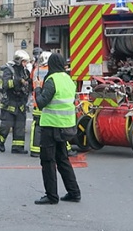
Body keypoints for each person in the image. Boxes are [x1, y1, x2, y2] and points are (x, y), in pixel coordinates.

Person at [32, 53, 81, 205]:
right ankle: (74, 192)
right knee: (63, 159)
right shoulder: (68, 79)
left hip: (51, 126)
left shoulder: (52, 80)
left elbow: (41, 102)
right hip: (66, 125)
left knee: (47, 161)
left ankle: (52, 196)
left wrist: (38, 88)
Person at [0, 50, 32, 154]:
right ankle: (0, 140)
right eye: (24, 61)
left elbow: (28, 84)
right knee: (6, 125)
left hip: (21, 101)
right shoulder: (7, 69)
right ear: (18, 60)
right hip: (9, 102)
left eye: (26, 62)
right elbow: (5, 85)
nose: (25, 64)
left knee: (20, 126)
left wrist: (28, 83)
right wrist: (18, 81)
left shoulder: (25, 71)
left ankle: (17, 147)